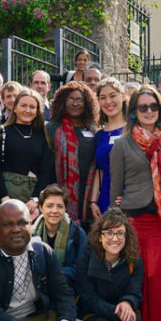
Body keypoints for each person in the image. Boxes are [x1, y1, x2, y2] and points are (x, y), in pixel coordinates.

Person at [110, 85, 161, 321]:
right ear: (133, 112)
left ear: (160, 110)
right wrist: (116, 219)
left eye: (153, 107)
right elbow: (116, 186)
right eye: (143, 107)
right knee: (142, 277)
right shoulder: (122, 144)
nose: (148, 111)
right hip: (136, 217)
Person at [75, 208, 143, 321]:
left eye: (120, 233)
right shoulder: (86, 257)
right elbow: (86, 295)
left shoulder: (134, 259)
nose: (115, 238)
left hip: (120, 305)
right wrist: (115, 311)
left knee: (135, 320)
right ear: (100, 236)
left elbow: (135, 290)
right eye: (109, 233)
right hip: (93, 309)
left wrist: (128, 302)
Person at [0, 88, 52, 216]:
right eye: (23, 105)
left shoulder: (43, 136)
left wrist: (35, 199)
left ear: (37, 111)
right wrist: (4, 197)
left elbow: (46, 171)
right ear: (15, 108)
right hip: (4, 196)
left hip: (31, 200)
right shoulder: (1, 132)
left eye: (32, 107)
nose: (27, 110)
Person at [46, 81, 99, 222]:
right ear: (63, 102)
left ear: (86, 103)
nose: (75, 104)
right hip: (61, 188)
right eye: (71, 99)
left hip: (89, 189)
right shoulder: (52, 128)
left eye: (79, 100)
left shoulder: (93, 129)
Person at [31, 184, 87, 288]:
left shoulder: (77, 234)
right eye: (49, 206)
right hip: (38, 290)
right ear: (41, 208)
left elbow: (81, 269)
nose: (55, 211)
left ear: (65, 208)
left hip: (68, 288)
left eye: (60, 206)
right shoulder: (31, 234)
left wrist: (54, 275)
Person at [89, 78, 127, 216]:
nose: (108, 102)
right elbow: (99, 170)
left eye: (112, 96)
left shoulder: (133, 130)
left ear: (122, 96)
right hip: (105, 200)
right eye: (103, 98)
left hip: (129, 200)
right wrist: (93, 202)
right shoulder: (99, 135)